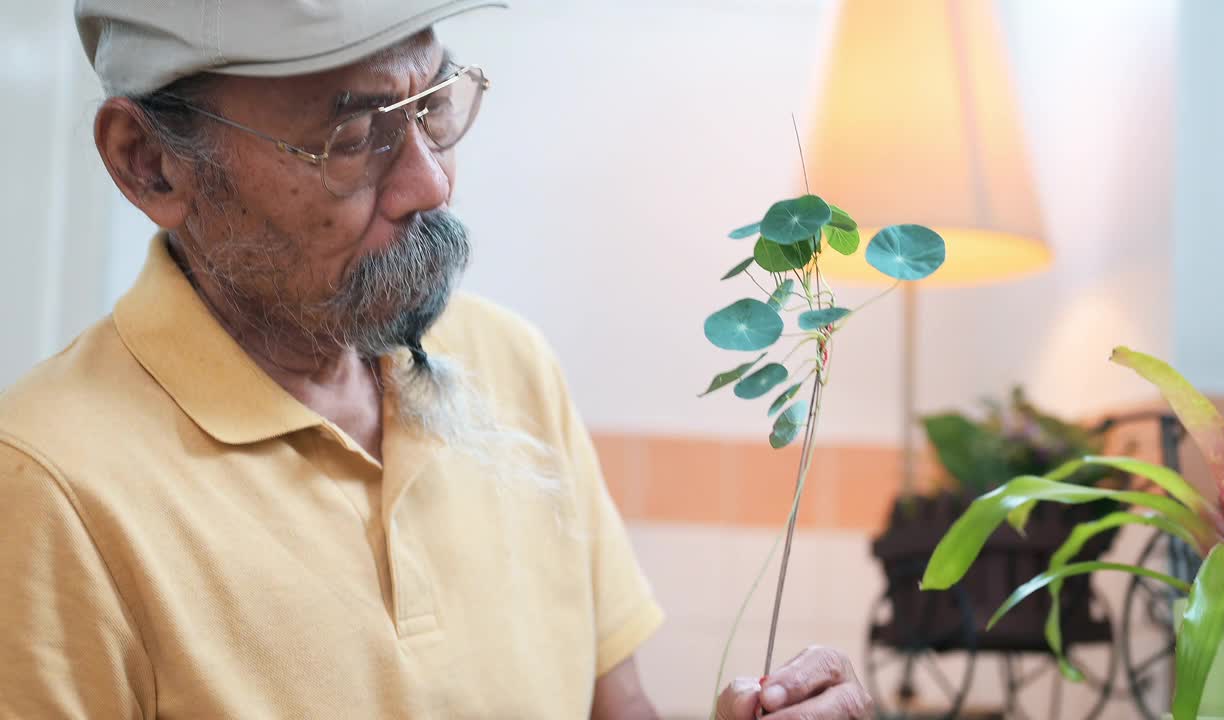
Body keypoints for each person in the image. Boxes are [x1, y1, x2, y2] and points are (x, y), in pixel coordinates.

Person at [0, 1, 871, 717]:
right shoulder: (46, 487)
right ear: (149, 164)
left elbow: (617, 705)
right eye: (353, 138)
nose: (432, 183)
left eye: (435, 106)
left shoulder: (509, 362)